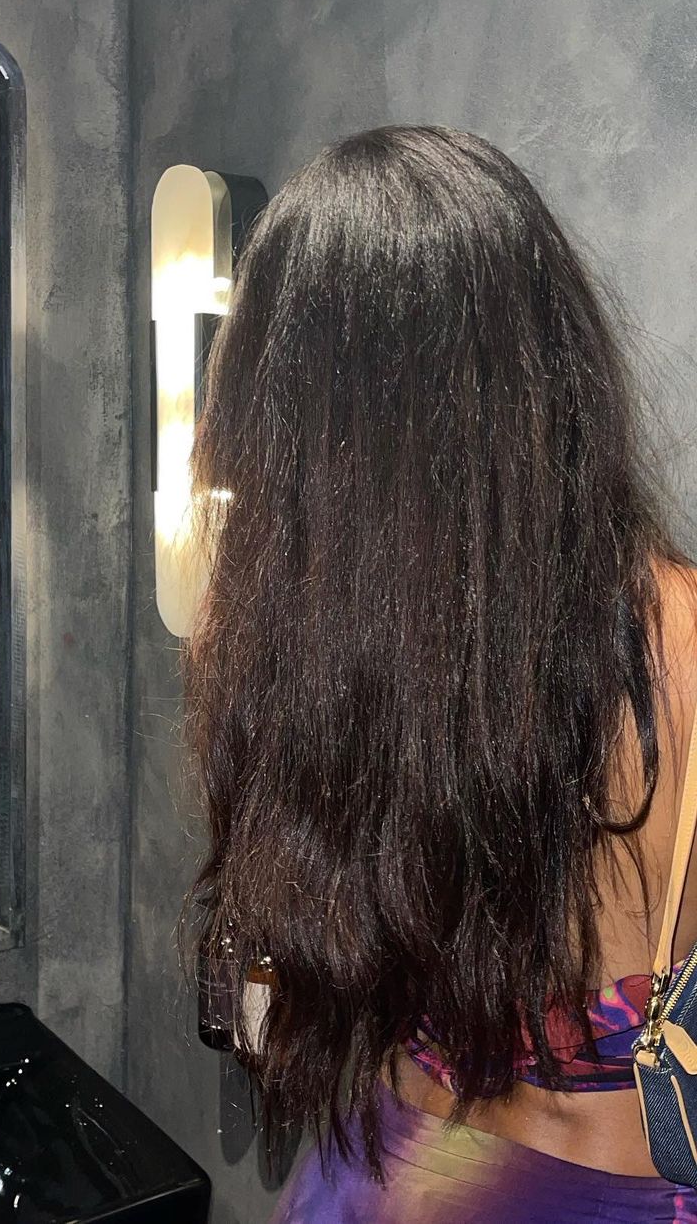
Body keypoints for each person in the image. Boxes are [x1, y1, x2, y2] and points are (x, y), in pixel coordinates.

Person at [185, 125, 697, 1221]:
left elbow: (277, 984)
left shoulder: (291, 642)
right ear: (546, 358)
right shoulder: (684, 643)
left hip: (369, 1182)